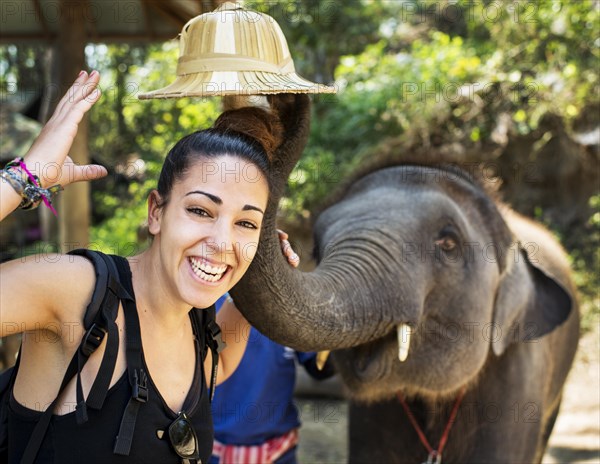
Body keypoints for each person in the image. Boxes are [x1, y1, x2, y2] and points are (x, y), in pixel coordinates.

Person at [0, 70, 292, 464]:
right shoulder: (79, 292)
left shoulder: (200, 334)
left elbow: (216, 368)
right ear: (156, 211)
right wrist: (24, 178)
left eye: (246, 223)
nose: (223, 242)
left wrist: (261, 273)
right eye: (201, 210)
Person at [210, 291, 335, 464]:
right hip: (212, 450)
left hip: (279, 452)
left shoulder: (289, 301)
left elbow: (320, 367)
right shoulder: (204, 302)